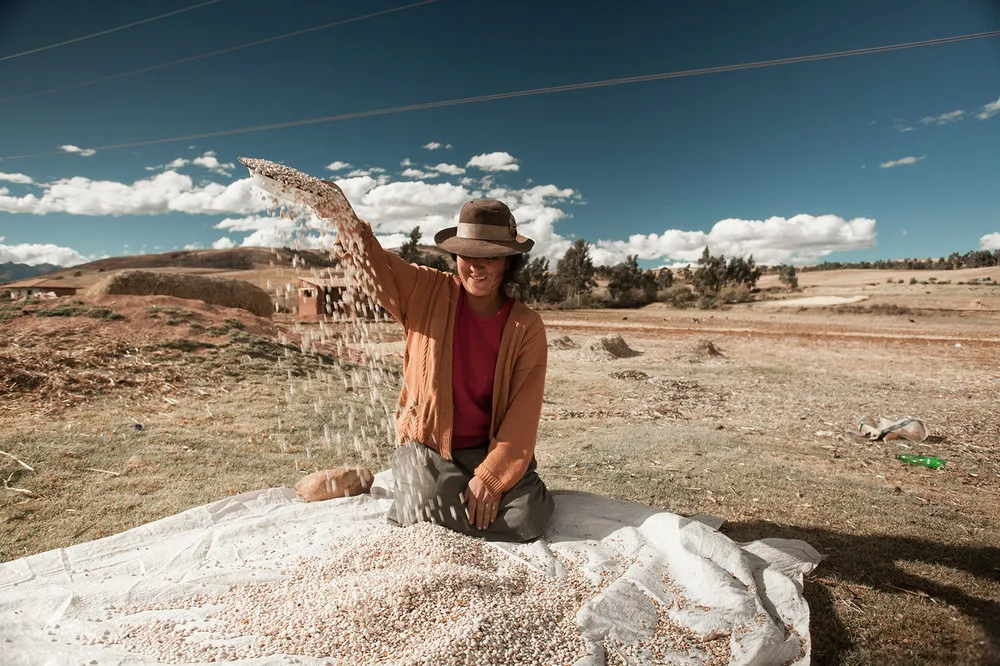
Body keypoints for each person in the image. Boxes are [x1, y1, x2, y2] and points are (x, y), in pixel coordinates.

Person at [320, 186, 553, 543]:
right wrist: (348, 224)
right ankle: (439, 504)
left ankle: (464, 503)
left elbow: (523, 413)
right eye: (466, 254)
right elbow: (379, 265)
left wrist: (490, 478)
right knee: (425, 506)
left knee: (527, 520)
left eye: (490, 256)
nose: (476, 265)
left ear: (509, 261)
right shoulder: (427, 292)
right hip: (429, 449)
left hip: (489, 448)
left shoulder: (526, 327)